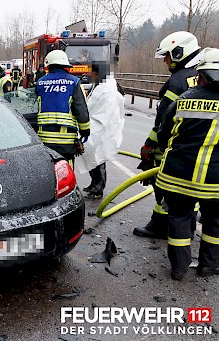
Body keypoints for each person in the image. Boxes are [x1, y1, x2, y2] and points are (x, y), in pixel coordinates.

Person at [155, 47, 219, 280]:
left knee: (179, 220)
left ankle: (179, 269)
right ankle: (208, 266)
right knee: (215, 224)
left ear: (201, 75)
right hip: (215, 183)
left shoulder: (184, 99)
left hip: (177, 177)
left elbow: (164, 133)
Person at [133, 31, 201, 239]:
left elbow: (162, 121)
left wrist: (149, 146)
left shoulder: (177, 81)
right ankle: (187, 223)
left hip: (173, 147)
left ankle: (161, 225)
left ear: (180, 53)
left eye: (168, 56)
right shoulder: (204, 75)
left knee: (163, 185)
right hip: (201, 148)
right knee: (192, 188)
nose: (165, 60)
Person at [77, 65, 125, 199]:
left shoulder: (108, 87)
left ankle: (98, 188)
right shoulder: (99, 84)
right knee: (91, 154)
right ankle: (94, 184)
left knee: (99, 156)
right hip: (95, 124)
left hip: (103, 126)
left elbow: (107, 106)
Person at [36, 50, 90, 168]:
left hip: (44, 139)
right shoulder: (74, 82)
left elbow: (36, 108)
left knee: (48, 172)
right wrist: (85, 132)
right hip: (66, 142)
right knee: (66, 174)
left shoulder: (40, 83)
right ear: (66, 65)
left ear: (48, 65)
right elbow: (81, 111)